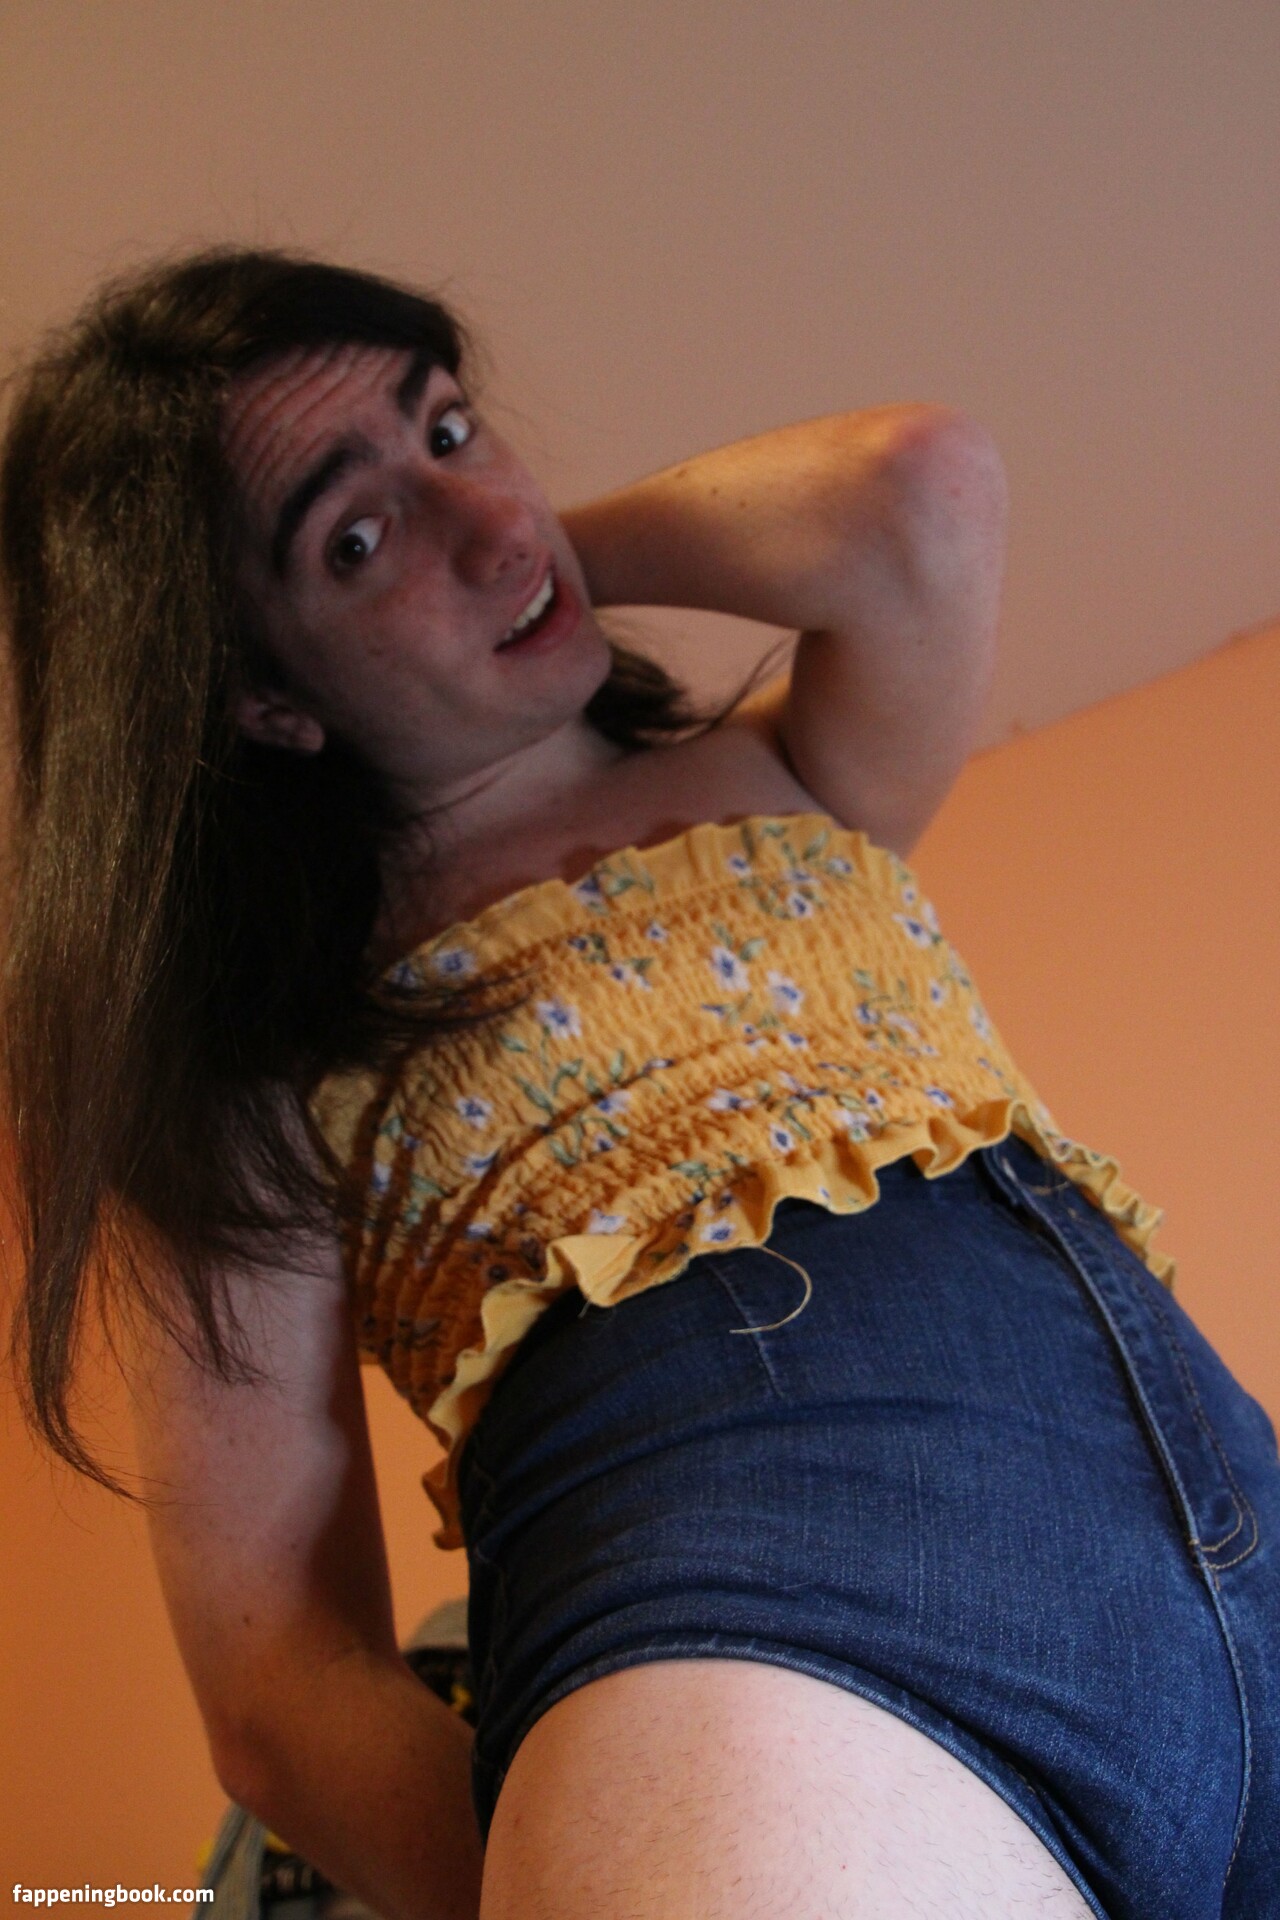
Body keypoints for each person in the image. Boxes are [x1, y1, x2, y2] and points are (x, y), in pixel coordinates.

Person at [1, 248, 1276, 1920]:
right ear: (258, 697)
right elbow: (277, 1682)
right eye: (354, 540)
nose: (481, 523)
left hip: (1233, 1527)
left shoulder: (790, 771)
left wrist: (517, 553)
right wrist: (590, 1862)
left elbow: (918, 487)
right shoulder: (256, 1056)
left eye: (449, 427)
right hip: (766, 1627)